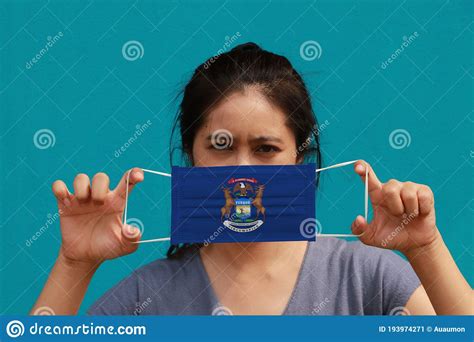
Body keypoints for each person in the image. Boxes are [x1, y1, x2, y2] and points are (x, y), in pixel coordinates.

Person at [31, 43, 473, 315]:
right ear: (189, 156)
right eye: (221, 146)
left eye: (265, 149)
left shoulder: (367, 279)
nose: (243, 171)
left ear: (302, 159)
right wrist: (75, 264)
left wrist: (426, 249)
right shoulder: (145, 298)